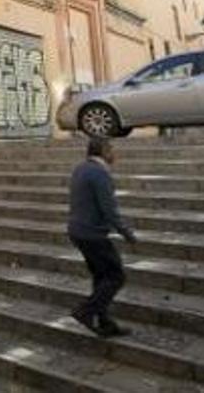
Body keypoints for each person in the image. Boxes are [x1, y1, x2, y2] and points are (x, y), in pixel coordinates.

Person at [67, 136, 136, 337]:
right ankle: (86, 311)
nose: (115, 153)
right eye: (112, 148)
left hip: (78, 231)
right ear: (104, 151)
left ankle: (105, 322)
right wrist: (127, 233)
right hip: (92, 234)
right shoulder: (100, 173)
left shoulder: (80, 168)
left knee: (101, 277)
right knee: (116, 276)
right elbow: (110, 210)